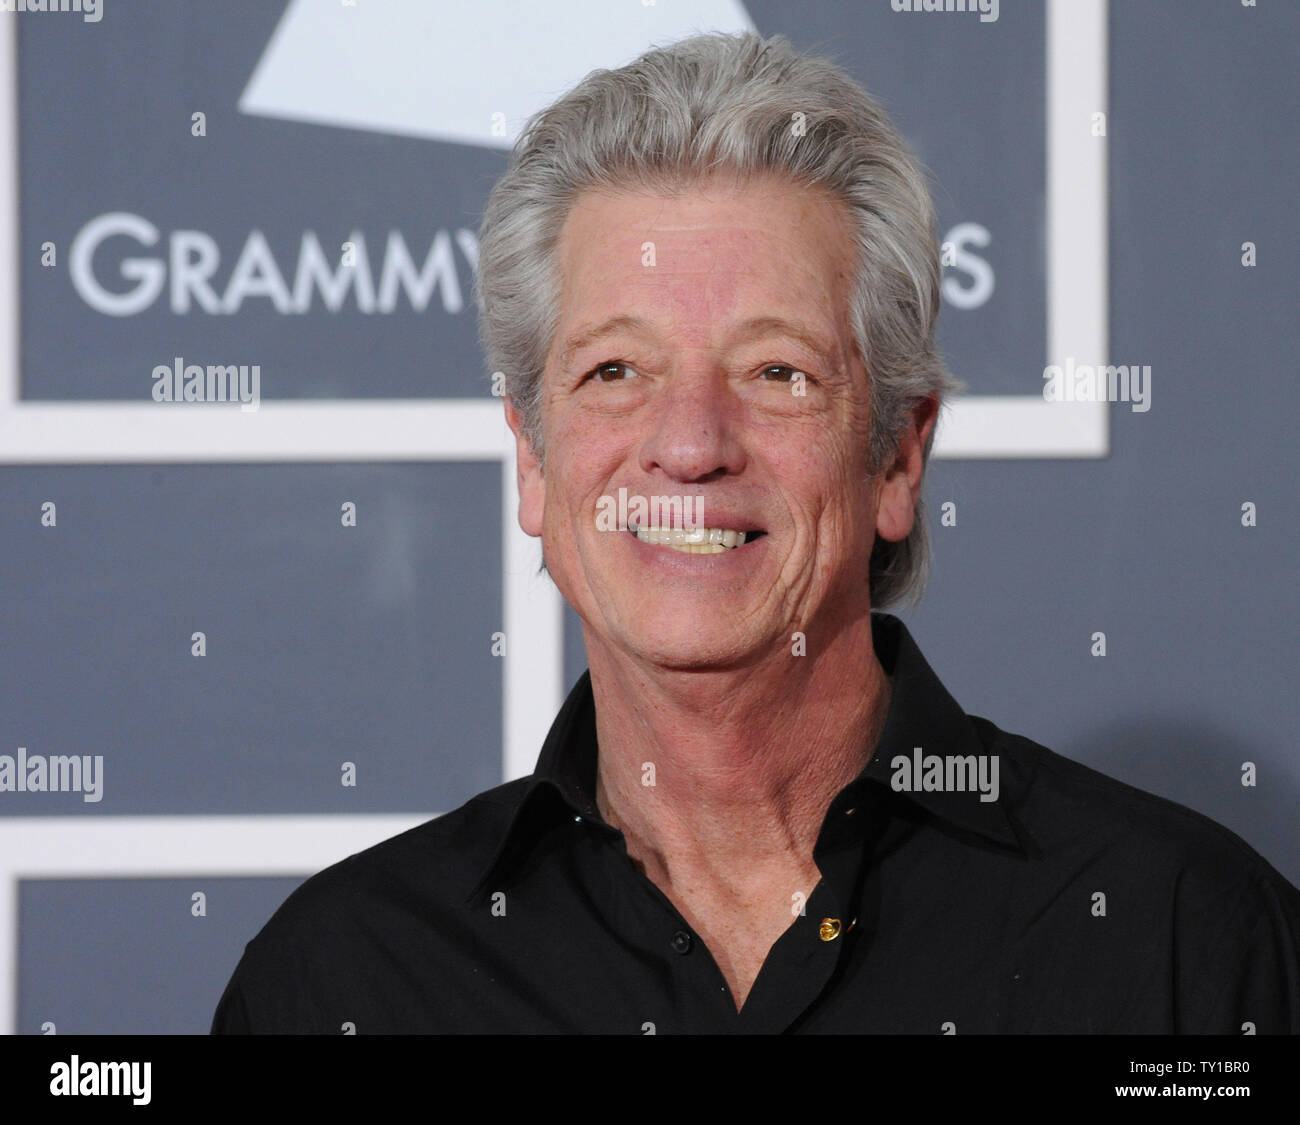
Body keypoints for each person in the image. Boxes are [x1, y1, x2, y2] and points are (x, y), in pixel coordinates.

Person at [212, 31, 1299, 1034]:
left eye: (777, 371)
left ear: (895, 457)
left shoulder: (1181, 944)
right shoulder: (344, 983)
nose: (688, 446)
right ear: (534, 460)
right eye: (615, 372)